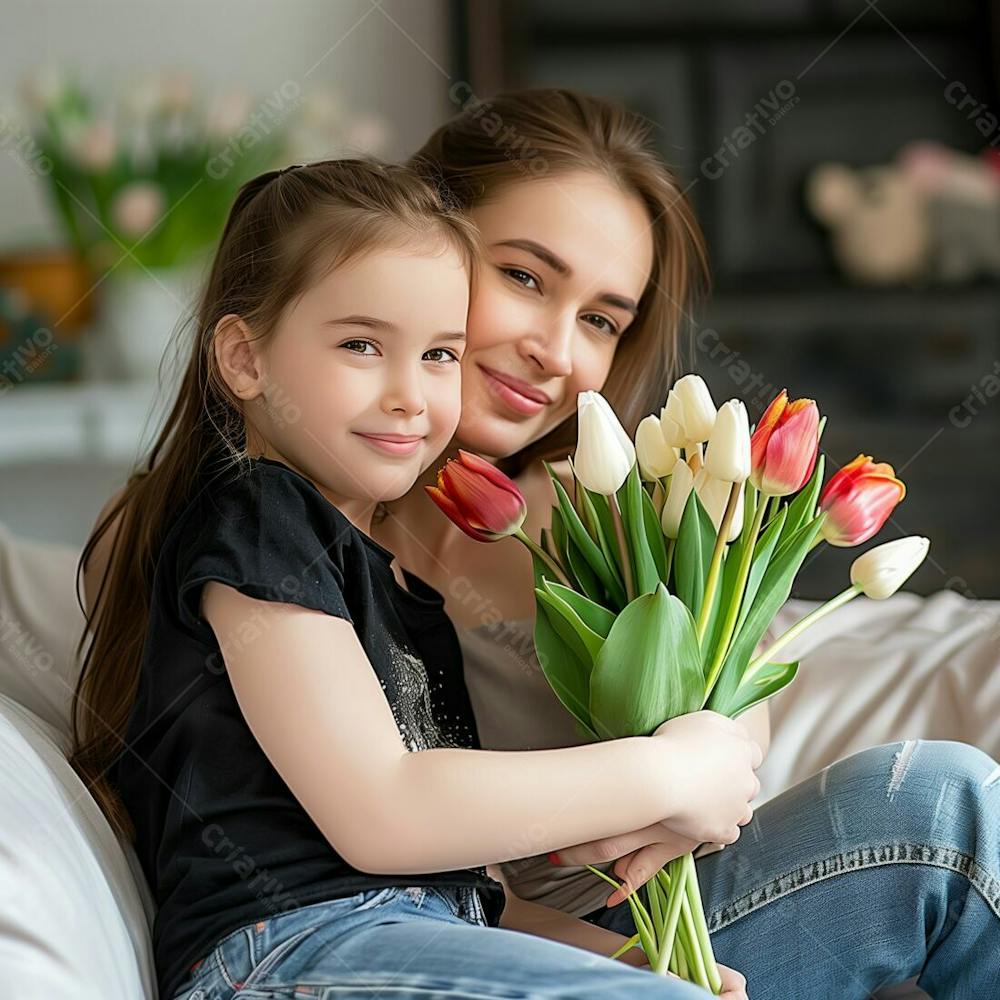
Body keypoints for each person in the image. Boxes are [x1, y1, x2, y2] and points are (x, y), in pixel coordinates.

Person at [74, 157, 758, 1000]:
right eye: (362, 345)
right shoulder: (259, 516)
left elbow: (478, 897)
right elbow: (384, 813)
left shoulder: (403, 590)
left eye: (439, 353)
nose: (409, 395)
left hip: (417, 939)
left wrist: (638, 962)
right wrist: (668, 773)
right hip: (293, 954)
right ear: (244, 359)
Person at [369, 89, 1000, 997]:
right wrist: (629, 938)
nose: (555, 349)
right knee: (947, 814)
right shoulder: (286, 539)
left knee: (948, 800)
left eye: (600, 320)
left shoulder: (592, 507)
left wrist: (710, 757)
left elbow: (728, 663)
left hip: (667, 929)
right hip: (521, 951)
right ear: (418, 239)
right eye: (524, 277)